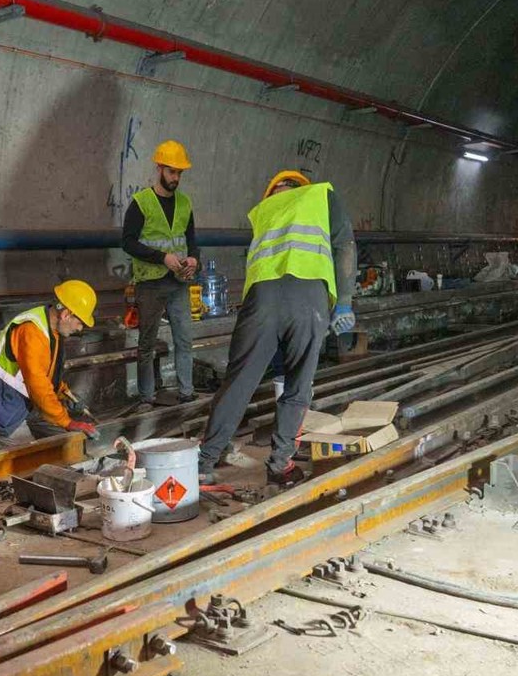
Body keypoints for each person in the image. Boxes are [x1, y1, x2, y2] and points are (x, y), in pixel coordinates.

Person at [197, 171, 357, 485]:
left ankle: (204, 462)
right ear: (301, 186)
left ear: (274, 189)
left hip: (260, 301)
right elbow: (345, 245)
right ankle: (280, 464)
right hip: (306, 299)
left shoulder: (264, 210)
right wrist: (345, 301)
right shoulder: (321, 195)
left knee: (239, 382)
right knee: (297, 386)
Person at [0, 280, 101, 448]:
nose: (80, 328)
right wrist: (67, 422)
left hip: (25, 405)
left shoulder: (52, 330)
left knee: (67, 445)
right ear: (66, 314)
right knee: (34, 460)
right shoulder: (31, 332)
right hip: (2, 411)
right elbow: (38, 384)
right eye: (80, 322)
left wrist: (65, 395)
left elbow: (48, 374)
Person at [122, 140, 199, 409]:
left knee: (184, 339)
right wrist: (162, 258)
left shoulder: (185, 204)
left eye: (179, 173)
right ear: (159, 168)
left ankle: (186, 393)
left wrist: (193, 259)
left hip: (179, 282)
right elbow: (128, 242)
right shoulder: (141, 203)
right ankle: (147, 397)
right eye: (171, 172)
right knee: (147, 343)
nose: (176, 178)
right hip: (150, 284)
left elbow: (191, 240)